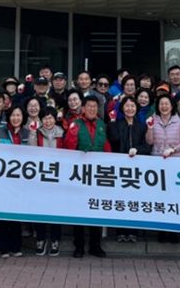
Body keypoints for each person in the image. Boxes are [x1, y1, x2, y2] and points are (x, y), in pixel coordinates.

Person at [64, 96, 110, 257]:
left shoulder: (102, 125)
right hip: (80, 175)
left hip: (97, 175)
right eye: (89, 106)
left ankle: (95, 245)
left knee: (96, 210)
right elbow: (69, 147)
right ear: (83, 108)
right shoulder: (76, 124)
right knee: (79, 210)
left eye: (94, 106)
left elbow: (106, 147)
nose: (92, 109)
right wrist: (72, 134)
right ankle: (79, 246)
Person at [106, 97, 151, 243]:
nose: (130, 108)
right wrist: (112, 122)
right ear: (122, 108)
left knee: (134, 200)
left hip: (137, 168)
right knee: (120, 200)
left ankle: (133, 231)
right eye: (127, 106)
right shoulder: (117, 123)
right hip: (120, 167)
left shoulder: (141, 126)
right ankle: (120, 231)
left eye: (132, 106)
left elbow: (147, 147)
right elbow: (113, 140)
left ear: (136, 108)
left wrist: (137, 149)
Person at [146, 93, 180, 244]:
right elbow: (149, 141)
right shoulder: (153, 119)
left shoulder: (178, 121)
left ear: (171, 106)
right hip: (157, 163)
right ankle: (162, 230)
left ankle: (174, 230)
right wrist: (150, 128)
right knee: (160, 198)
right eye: (161, 104)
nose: (164, 106)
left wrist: (173, 149)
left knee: (174, 198)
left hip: (175, 162)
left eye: (167, 104)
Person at [0, 105, 27, 258]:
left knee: (16, 215)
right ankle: (3, 247)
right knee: (2, 215)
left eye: (18, 115)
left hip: (20, 181)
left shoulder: (27, 133)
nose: (16, 118)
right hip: (2, 180)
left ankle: (15, 247)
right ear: (8, 117)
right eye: (13, 115)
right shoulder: (0, 130)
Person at [28, 107, 64, 256]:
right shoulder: (37, 132)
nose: (48, 121)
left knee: (56, 209)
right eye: (45, 118)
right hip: (40, 177)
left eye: (50, 118)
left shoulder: (62, 133)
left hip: (58, 177)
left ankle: (55, 240)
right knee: (39, 208)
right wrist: (32, 133)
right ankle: (40, 239)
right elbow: (31, 150)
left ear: (55, 119)